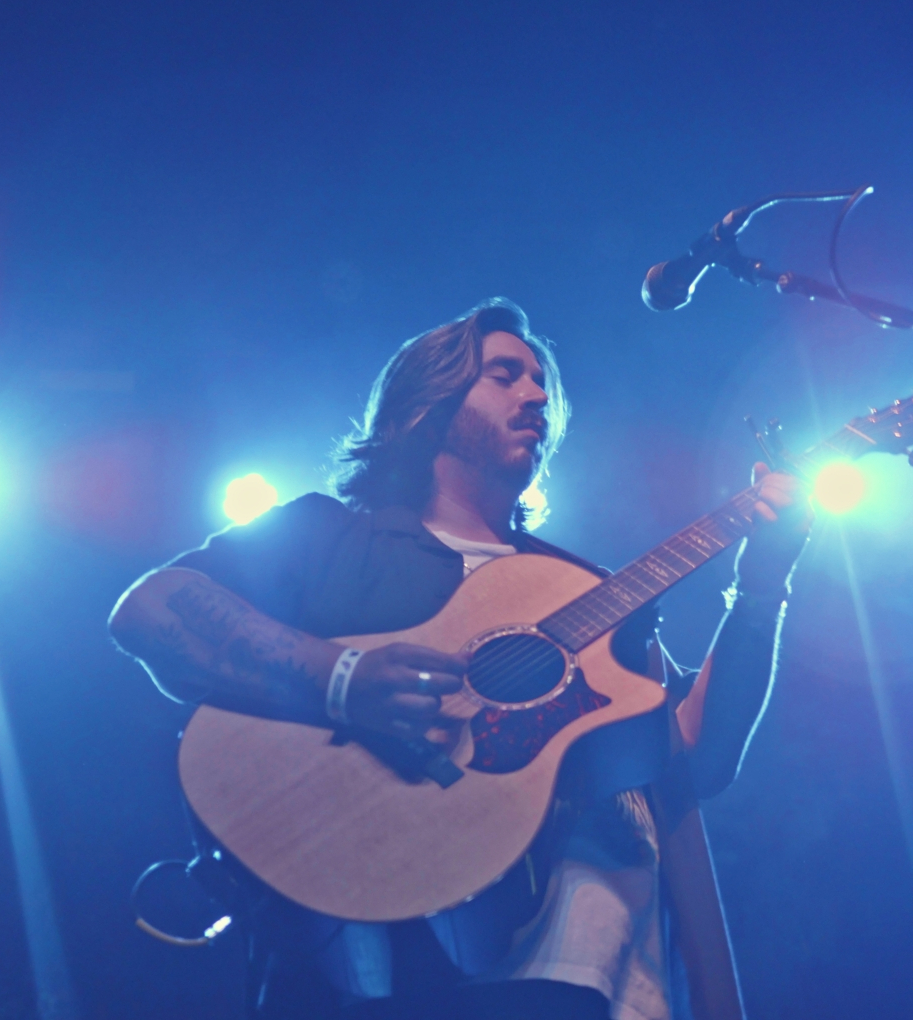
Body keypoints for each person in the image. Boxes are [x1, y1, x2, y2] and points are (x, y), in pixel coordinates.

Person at [108, 300, 810, 1020]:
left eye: (541, 383)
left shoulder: (586, 588)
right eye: (504, 375)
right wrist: (343, 681)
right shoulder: (330, 537)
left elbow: (695, 756)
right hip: (402, 969)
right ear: (427, 405)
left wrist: (762, 586)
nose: (536, 395)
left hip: (601, 979)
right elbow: (152, 609)